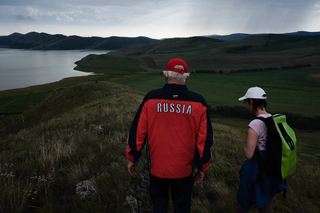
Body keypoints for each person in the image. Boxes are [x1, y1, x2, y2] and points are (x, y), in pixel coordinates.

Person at [125, 58, 214, 213]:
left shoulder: (151, 99)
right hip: (185, 170)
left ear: (166, 76)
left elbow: (137, 132)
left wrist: (133, 157)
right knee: (182, 207)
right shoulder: (199, 102)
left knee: (159, 205)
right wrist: (201, 166)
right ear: (186, 77)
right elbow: (205, 139)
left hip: (157, 168)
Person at [235, 87, 287, 213]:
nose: (247, 106)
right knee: (266, 203)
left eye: (246, 102)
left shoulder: (255, 124)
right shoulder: (273, 119)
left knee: (241, 203)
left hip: (256, 170)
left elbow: (249, 154)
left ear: (251, 102)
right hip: (270, 169)